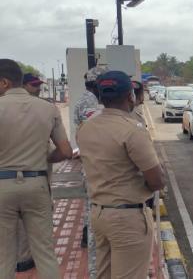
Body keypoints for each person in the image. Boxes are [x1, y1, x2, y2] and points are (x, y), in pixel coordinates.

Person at [77, 71, 165, 278]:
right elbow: (157, 181)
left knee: (104, 274)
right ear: (130, 96)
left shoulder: (85, 128)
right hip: (127, 218)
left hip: (99, 213)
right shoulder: (132, 130)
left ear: (99, 97)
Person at [0, 59, 72, 278]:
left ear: (4, 82)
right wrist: (45, 158)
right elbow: (66, 151)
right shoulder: (47, 108)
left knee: (4, 255)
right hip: (37, 183)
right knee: (45, 252)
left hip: (2, 186)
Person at [73, 66, 107, 278]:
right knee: (94, 206)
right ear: (97, 84)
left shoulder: (89, 100)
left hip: (94, 162)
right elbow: (95, 133)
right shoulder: (89, 102)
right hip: (96, 163)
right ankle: (95, 262)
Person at [16, 74, 47, 273]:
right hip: (33, 176)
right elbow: (61, 150)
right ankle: (25, 258)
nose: (37, 89)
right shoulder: (43, 110)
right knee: (33, 224)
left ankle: (22, 257)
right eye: (34, 86)